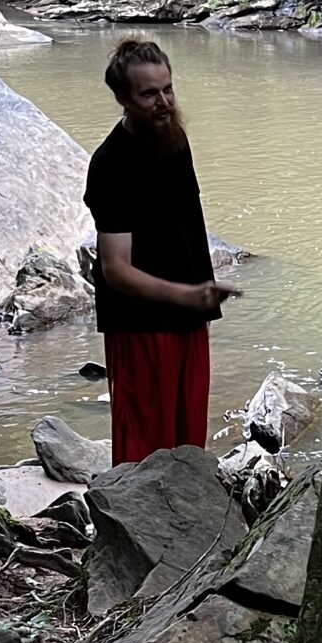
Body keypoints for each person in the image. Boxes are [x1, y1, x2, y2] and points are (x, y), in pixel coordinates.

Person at [83, 37, 238, 463]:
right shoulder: (110, 166)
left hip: (188, 317)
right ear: (122, 98)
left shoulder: (174, 139)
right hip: (140, 324)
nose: (163, 101)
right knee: (145, 444)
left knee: (188, 441)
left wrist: (194, 299)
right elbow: (116, 269)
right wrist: (186, 294)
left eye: (167, 89)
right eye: (149, 93)